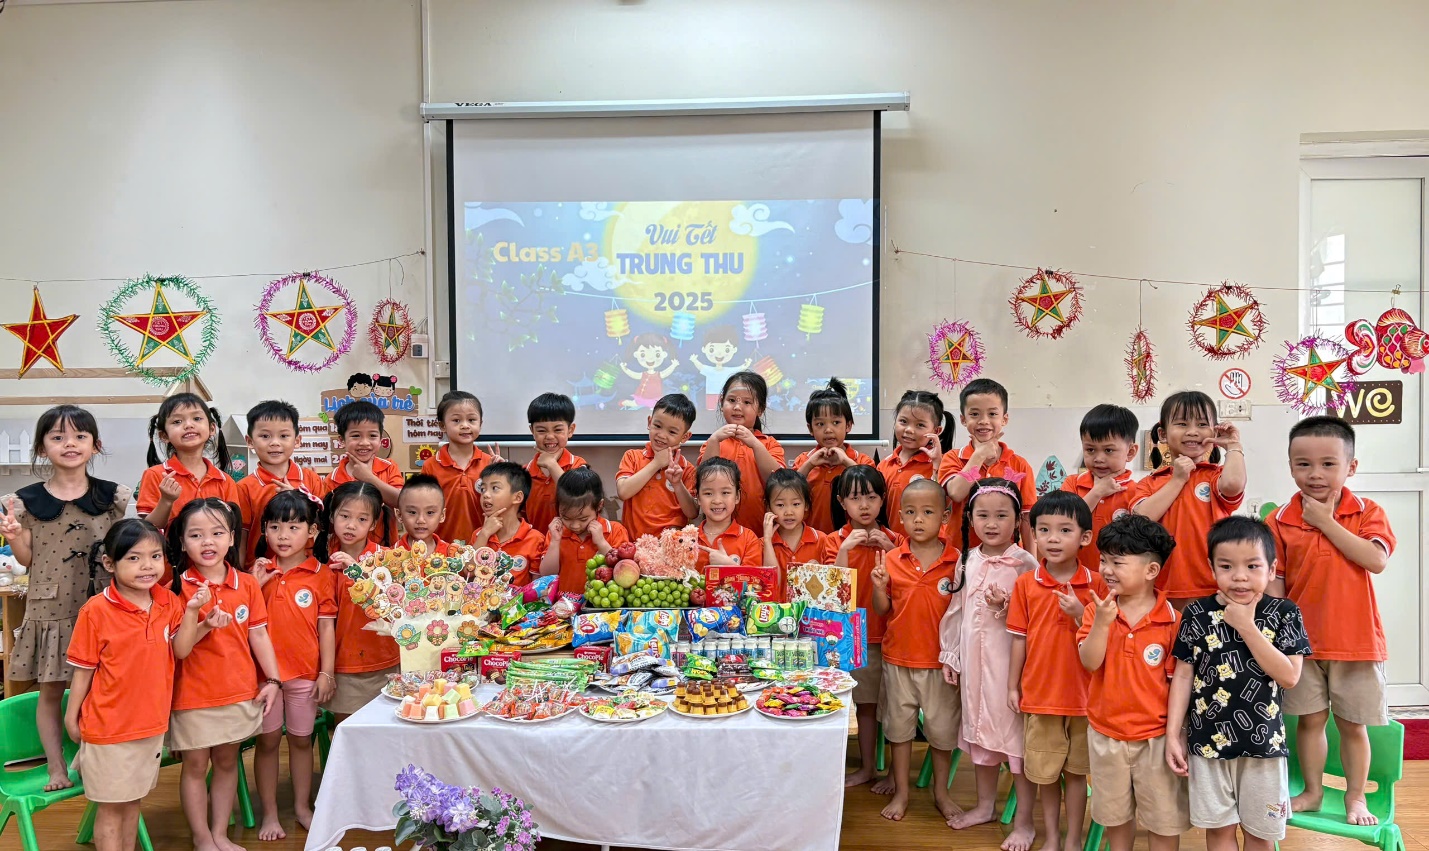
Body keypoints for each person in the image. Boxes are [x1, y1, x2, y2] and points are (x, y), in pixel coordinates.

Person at [1267, 416, 1395, 826]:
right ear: (1290, 466)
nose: (1315, 473)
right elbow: (1276, 584)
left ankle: (1355, 798)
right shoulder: (1280, 520)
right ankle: (1313, 791)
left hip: (1356, 641)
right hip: (1301, 645)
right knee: (1309, 722)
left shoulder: (1368, 511)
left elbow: (1375, 559)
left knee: (1353, 726)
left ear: (1350, 467)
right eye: (1303, 464)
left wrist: (1325, 521)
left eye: (1328, 463)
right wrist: (1280, 638)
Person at [0, 405, 129, 793]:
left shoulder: (114, 496)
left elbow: (127, 545)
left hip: (105, 605)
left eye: (79, 436)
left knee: (106, 686)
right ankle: (57, 767)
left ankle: (91, 756)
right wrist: (12, 535)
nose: (68, 444)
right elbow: (26, 558)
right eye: (57, 437)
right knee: (51, 688)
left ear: (95, 445)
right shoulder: (22, 502)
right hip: (50, 606)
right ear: (42, 448)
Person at [65, 519, 211, 851]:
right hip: (109, 727)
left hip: (150, 726)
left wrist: (193, 613)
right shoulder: (95, 611)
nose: (147, 566)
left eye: (155, 556)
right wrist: (71, 717)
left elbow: (181, 650)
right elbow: (84, 671)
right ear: (109, 563)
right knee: (112, 808)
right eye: (133, 558)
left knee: (133, 803)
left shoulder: (168, 602)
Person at [1167, 516, 1310, 850]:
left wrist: (1246, 625)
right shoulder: (1197, 614)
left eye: (1252, 565)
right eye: (1227, 566)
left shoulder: (1284, 612)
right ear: (1212, 568)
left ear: (1271, 569)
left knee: (1261, 834)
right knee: (1218, 832)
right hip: (1207, 746)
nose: (1240, 576)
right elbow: (1184, 675)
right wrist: (1174, 734)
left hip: (1265, 749)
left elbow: (1289, 676)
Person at [167, 499, 282, 851]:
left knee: (228, 761)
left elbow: (259, 634)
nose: (208, 542)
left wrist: (274, 681)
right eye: (196, 535)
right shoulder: (175, 588)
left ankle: (220, 834)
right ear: (183, 542)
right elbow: (177, 648)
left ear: (231, 538)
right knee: (196, 765)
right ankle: (202, 838)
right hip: (192, 695)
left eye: (217, 533)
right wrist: (200, 621)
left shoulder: (246, 584)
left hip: (238, 690)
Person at [1077, 514, 1188, 851]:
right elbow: (1089, 662)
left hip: (1156, 740)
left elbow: (1179, 686)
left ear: (1151, 571)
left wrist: (1175, 736)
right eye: (1104, 560)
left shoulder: (1173, 621)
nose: (1107, 569)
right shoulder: (1095, 611)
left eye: (1117, 562)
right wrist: (1102, 624)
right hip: (1106, 735)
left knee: (1164, 819)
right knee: (1115, 816)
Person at [942, 478, 1038, 848]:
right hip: (973, 666)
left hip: (1011, 669)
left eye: (1001, 515)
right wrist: (950, 654)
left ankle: (1026, 822)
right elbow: (956, 611)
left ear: (1017, 521)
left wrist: (1009, 606)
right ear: (970, 518)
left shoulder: (1026, 564)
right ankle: (985, 806)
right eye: (983, 515)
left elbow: (1037, 619)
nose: (992, 523)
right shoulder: (967, 560)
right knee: (979, 734)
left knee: (1015, 744)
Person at [1008, 491, 1106, 851]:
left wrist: (1083, 614)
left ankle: (1074, 841)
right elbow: (1018, 640)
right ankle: (1051, 837)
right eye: (1044, 529)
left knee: (1077, 775)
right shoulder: (1025, 585)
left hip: (1085, 701)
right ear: (1032, 534)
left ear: (1084, 537)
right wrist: (1012, 686)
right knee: (1044, 776)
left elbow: (1106, 641)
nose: (1052, 538)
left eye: (1064, 530)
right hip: (1040, 698)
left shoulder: (1097, 584)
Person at [871, 478, 961, 823]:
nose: (918, 519)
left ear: (945, 516)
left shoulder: (957, 561)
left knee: (941, 733)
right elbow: (882, 610)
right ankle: (903, 792)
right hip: (898, 660)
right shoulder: (893, 559)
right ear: (900, 516)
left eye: (927, 512)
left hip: (940, 665)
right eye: (910, 512)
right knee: (899, 730)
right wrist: (880, 588)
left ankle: (941, 792)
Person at [250, 490, 336, 841]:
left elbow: (326, 626)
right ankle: (270, 813)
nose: (282, 536)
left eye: (292, 527)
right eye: (274, 527)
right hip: (263, 679)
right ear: (264, 532)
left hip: (304, 675)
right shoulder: (254, 574)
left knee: (302, 742)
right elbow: (244, 627)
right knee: (267, 743)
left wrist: (326, 672)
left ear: (312, 532)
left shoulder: (321, 574)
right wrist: (254, 587)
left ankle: (303, 806)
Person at [821, 465, 902, 788]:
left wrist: (893, 550)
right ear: (842, 503)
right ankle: (868, 767)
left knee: (896, 709)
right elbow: (830, 592)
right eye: (855, 499)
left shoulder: (896, 540)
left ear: (883, 500)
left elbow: (908, 581)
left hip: (891, 637)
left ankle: (896, 774)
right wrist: (845, 550)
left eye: (871, 497)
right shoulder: (833, 542)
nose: (864, 506)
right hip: (850, 639)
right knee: (865, 706)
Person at [1132, 391, 1246, 606]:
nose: (1192, 432)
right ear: (1163, 433)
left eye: (1202, 424)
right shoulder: (1151, 482)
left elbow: (1233, 485)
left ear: (1214, 431)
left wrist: (1233, 446)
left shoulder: (1215, 476)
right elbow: (1141, 520)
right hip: (1159, 588)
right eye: (1182, 424)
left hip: (1214, 588)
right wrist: (1177, 480)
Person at [317, 482, 397, 723]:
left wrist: (357, 571)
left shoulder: (385, 559)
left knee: (386, 732)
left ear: (373, 524)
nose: (351, 525)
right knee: (349, 731)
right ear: (332, 516)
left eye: (362, 519)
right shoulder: (320, 559)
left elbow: (390, 605)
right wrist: (327, 671)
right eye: (344, 516)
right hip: (343, 666)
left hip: (386, 662)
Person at [939, 378, 1036, 548]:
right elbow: (956, 493)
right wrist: (979, 455)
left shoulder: (1019, 464)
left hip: (1008, 558)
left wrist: (1031, 562)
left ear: (1004, 419)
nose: (984, 421)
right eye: (975, 414)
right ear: (963, 419)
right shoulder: (953, 458)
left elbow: (1026, 518)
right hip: (961, 555)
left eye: (992, 414)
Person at [235, 400, 327, 565]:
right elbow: (242, 535)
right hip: (263, 571)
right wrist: (242, 574)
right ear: (249, 441)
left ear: (297, 440)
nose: (274, 443)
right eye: (265, 436)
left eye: (283, 436)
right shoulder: (244, 487)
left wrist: (297, 498)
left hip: (308, 569)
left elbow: (324, 523)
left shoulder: (311, 479)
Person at [697, 371, 786, 532]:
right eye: (731, 400)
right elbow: (702, 480)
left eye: (747, 402)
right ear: (721, 402)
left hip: (761, 531)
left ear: (760, 409)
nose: (737, 407)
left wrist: (755, 445)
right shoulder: (713, 442)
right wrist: (715, 440)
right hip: (718, 533)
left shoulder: (770, 444)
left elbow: (780, 484)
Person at [137, 393, 237, 536]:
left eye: (197, 418)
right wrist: (166, 501)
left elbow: (232, 527)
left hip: (214, 557)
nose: (188, 425)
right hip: (169, 558)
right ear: (164, 436)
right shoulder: (155, 475)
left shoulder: (225, 481)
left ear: (212, 428)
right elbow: (149, 528)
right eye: (177, 422)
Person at [1062, 404, 1140, 573]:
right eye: (1090, 449)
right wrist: (1097, 492)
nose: (1098, 458)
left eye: (1108, 450)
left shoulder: (1137, 492)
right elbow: (1063, 523)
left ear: (1131, 452)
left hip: (1118, 580)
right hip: (1074, 576)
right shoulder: (1072, 483)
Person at [793, 378, 875, 534]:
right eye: (820, 424)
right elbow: (789, 491)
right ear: (810, 429)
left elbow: (872, 491)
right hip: (811, 540)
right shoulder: (804, 460)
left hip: (850, 540)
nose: (828, 430)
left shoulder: (862, 460)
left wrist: (846, 461)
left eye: (836, 422)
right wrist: (810, 464)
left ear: (849, 425)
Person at [616, 393, 699, 539]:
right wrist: (656, 463)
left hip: (670, 548)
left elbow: (692, 513)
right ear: (649, 422)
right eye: (657, 426)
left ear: (685, 437)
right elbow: (623, 492)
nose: (661, 435)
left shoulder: (687, 469)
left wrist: (677, 484)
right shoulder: (632, 457)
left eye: (672, 432)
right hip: (634, 545)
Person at [876, 390, 956, 540]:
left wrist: (938, 465)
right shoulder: (884, 465)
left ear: (936, 431)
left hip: (931, 547)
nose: (909, 430)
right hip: (894, 548)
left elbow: (949, 501)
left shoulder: (944, 463)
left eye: (920, 425)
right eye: (903, 421)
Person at [539, 466, 631, 595]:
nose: (575, 525)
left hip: (600, 609)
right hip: (562, 607)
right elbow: (546, 575)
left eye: (583, 519)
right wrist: (555, 541)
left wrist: (601, 543)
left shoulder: (615, 530)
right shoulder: (556, 532)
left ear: (599, 505)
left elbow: (625, 574)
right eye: (566, 518)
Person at [420, 390, 497, 543]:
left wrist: (501, 475)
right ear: (442, 425)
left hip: (483, 544)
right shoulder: (431, 465)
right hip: (441, 545)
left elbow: (500, 507)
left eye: (472, 420)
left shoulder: (490, 463)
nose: (465, 426)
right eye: (456, 421)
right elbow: (424, 506)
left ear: (480, 424)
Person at [326, 399, 404, 536]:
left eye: (372, 436)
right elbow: (326, 522)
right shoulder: (331, 480)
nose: (364, 442)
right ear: (341, 440)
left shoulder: (389, 468)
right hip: (345, 554)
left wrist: (369, 478)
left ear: (380, 439)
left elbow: (403, 502)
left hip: (385, 554)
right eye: (356, 436)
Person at [473, 462, 547, 586]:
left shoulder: (535, 539)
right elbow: (467, 573)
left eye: (495, 488)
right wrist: (484, 535)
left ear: (517, 497)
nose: (485, 495)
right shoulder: (479, 535)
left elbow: (537, 589)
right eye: (483, 489)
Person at [761, 469, 828, 601]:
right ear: (769, 508)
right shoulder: (761, 544)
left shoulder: (822, 540)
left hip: (811, 619)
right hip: (775, 617)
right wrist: (768, 541)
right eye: (780, 505)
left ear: (806, 505)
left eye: (796, 504)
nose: (789, 512)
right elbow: (771, 583)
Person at [524, 392, 587, 532]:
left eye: (558, 429)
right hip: (536, 545)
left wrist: (552, 465)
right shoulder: (525, 472)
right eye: (541, 430)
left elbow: (577, 499)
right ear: (532, 431)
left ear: (570, 430)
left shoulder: (578, 465)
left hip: (570, 544)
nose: (550, 436)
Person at [691, 458, 763, 571]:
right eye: (708, 493)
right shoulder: (686, 538)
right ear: (698, 497)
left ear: (737, 496)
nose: (717, 500)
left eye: (725, 493)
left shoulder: (749, 539)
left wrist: (730, 566)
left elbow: (755, 584)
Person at [689, 325, 751, 410]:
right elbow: (701, 367)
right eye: (712, 350)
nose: (719, 354)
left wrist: (746, 365)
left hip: (727, 394)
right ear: (704, 349)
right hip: (711, 394)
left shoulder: (729, 371)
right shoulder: (709, 370)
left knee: (726, 410)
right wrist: (694, 361)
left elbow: (739, 369)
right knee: (712, 410)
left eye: (726, 350)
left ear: (734, 349)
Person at [620, 333, 680, 409]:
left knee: (655, 407)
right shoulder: (643, 374)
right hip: (642, 395)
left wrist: (673, 366)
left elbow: (666, 372)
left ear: (664, 354)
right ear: (636, 354)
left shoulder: (658, 374)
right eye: (643, 355)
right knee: (636, 403)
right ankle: (624, 402)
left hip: (655, 397)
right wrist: (625, 369)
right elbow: (634, 374)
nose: (650, 358)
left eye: (657, 355)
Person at [395, 474, 450, 553]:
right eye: (413, 512)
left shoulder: (452, 555)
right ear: (399, 515)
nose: (421, 520)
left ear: (442, 515)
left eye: (430, 512)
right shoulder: (389, 557)